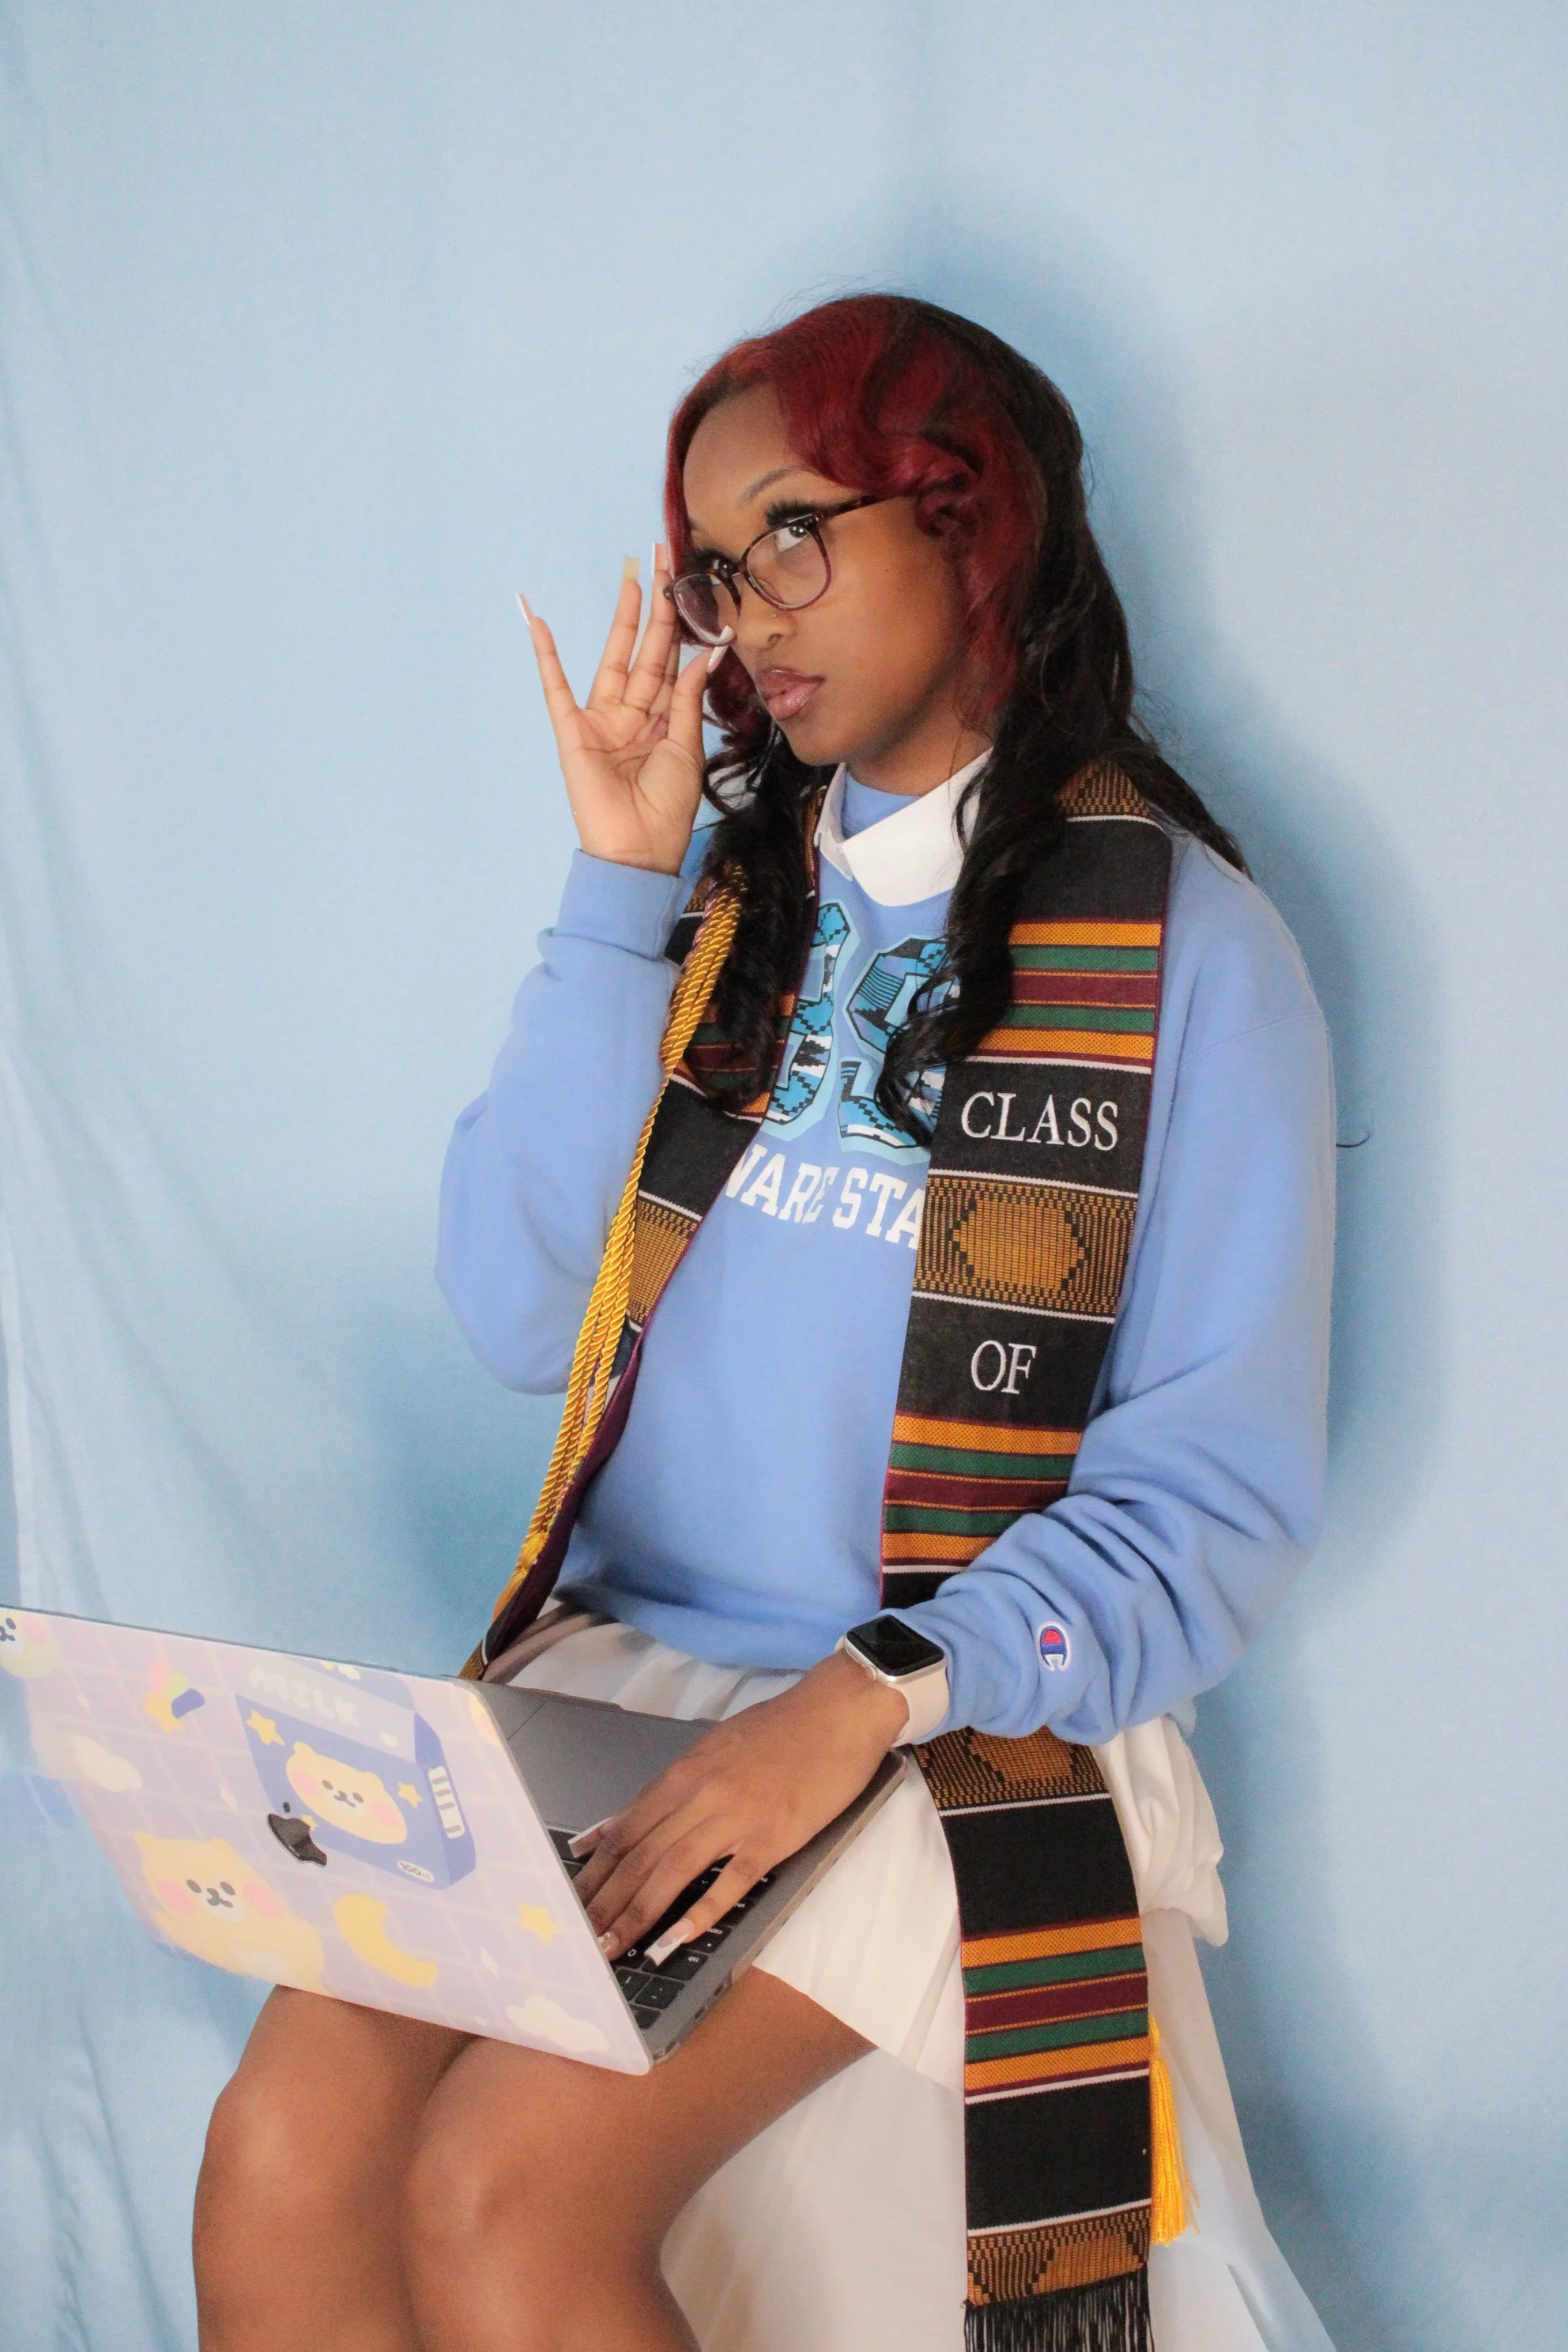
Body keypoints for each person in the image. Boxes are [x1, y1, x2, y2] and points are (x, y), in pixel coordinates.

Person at [190, 294, 1338, 2352]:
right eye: (716, 569)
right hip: (618, 1691)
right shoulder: (723, 915)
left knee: (503, 2197)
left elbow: (1213, 1510)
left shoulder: (1181, 954)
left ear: (966, 517)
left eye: (793, 533)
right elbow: (523, 1311)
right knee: (279, 2148)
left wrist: (857, 1705)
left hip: (932, 1723)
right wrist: (611, 887)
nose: (745, 616)